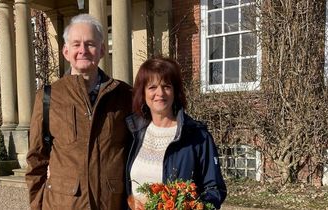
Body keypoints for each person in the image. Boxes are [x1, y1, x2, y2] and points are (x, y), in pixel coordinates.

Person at [25, 14, 132, 210]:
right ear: (66, 51)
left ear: (101, 50)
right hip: (63, 204)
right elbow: (36, 160)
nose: (83, 50)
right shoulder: (48, 96)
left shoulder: (123, 95)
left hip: (111, 204)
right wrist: (38, 205)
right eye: (76, 44)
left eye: (90, 44)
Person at [125, 57, 227, 209]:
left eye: (166, 86)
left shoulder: (196, 136)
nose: (160, 93)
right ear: (143, 93)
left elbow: (214, 189)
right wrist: (131, 201)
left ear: (175, 91)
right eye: (152, 87)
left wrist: (190, 206)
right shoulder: (134, 133)